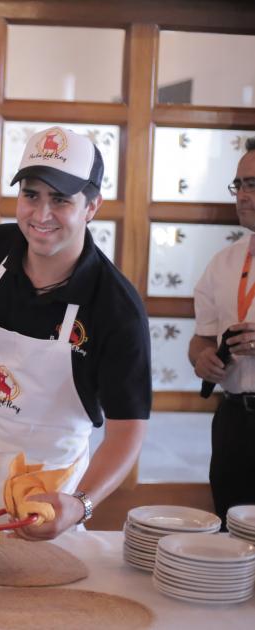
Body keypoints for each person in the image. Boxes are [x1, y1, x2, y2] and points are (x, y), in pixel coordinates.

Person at [0, 126, 151, 539]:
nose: (41, 215)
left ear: (92, 206)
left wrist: (80, 504)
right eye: (31, 195)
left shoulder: (115, 308)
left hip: (47, 493)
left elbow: (128, 430)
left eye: (60, 200)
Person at [189, 136, 255, 528]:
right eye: (239, 185)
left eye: (253, 184)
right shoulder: (224, 263)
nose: (243, 196)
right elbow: (202, 337)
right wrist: (201, 358)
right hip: (233, 420)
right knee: (230, 533)